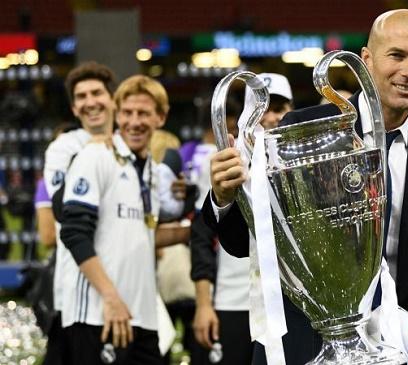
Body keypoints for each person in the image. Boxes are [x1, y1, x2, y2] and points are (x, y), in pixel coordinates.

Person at [201, 9, 408, 364]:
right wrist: (224, 196)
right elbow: (244, 242)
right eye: (397, 55)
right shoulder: (302, 130)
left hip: (391, 348)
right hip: (302, 344)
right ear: (366, 60)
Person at [59, 75, 172, 364]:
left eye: (144, 113)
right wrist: (110, 298)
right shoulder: (95, 155)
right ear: (117, 114)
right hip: (100, 316)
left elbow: (141, 234)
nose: (134, 122)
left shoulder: (151, 172)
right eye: (127, 113)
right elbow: (73, 233)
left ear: (161, 117)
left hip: (142, 318)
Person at [191, 75, 293, 365]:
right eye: (262, 109)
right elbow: (201, 235)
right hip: (232, 300)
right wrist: (203, 303)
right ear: (248, 114)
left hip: (288, 308)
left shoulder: (303, 164)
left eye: (280, 107)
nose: (272, 116)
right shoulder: (224, 162)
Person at [42, 62, 118, 365]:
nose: (90, 102)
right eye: (81, 96)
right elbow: (63, 210)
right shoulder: (63, 148)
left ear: (112, 99)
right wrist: (91, 152)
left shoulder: (130, 144)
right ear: (74, 109)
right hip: (78, 292)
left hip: (127, 283)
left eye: (97, 93)